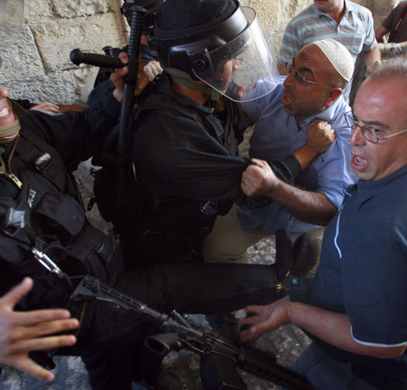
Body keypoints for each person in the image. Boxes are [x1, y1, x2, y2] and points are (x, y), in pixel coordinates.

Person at [0, 6, 299, 389]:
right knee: (165, 291)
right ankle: (279, 283)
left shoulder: (20, 133)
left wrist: (118, 95)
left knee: (118, 351)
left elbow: (81, 130)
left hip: (97, 266)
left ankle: (142, 373)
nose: (0, 92)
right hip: (61, 314)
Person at [238, 58, 407, 390]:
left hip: (365, 372)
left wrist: (291, 312)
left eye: (375, 130)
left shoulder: (389, 232)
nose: (353, 140)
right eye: (356, 121)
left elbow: (384, 344)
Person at [121, 0, 335, 266]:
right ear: (201, 66)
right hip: (170, 249)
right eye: (231, 59)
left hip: (202, 212)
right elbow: (254, 183)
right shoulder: (168, 136)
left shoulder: (201, 93)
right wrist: (310, 150)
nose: (237, 66)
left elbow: (234, 106)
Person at [202, 39, 356, 265]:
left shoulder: (347, 133)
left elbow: (331, 208)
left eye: (302, 77)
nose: (288, 82)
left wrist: (275, 189)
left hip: (307, 224)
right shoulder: (273, 92)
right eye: (291, 68)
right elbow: (226, 108)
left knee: (313, 277)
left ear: (332, 95)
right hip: (255, 208)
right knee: (216, 251)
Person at [276, 0, 380, 99]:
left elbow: (370, 47)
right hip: (309, 107)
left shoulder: (363, 16)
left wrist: (374, 65)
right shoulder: (298, 24)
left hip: (342, 105)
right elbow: (283, 68)